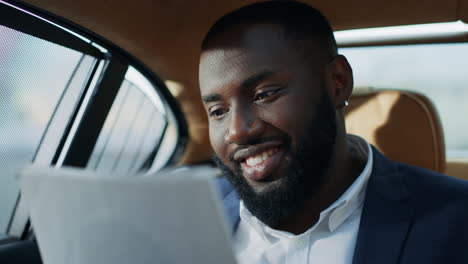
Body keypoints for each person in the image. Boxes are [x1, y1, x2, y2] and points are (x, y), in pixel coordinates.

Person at [198, 1, 468, 263]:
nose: (235, 132)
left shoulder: (457, 219)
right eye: (218, 111)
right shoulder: (187, 217)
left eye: (264, 94)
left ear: (337, 83)